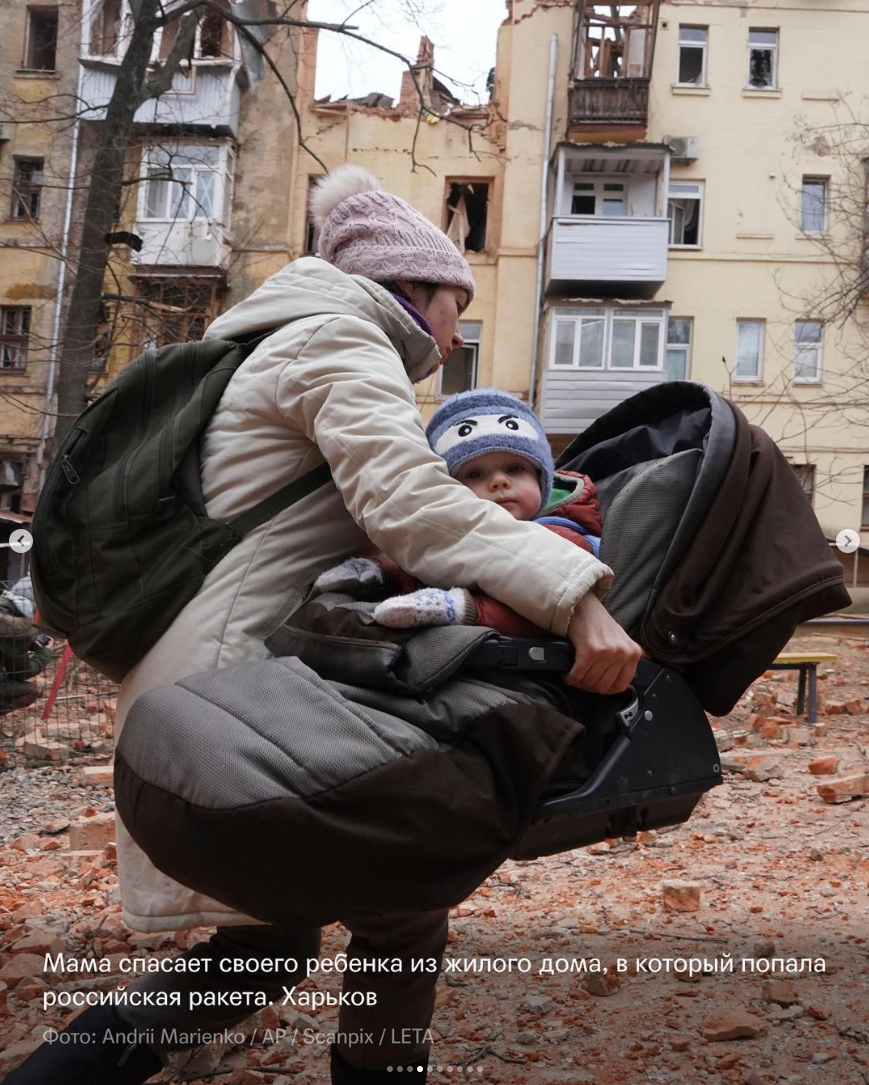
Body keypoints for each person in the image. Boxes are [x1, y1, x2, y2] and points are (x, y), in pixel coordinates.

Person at [8, 165, 641, 1085]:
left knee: (264, 946)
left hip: (205, 678)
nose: (456, 330)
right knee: (402, 891)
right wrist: (573, 591)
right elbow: (409, 502)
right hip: (231, 688)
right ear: (410, 291)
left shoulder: (281, 344)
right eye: (452, 304)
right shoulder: (342, 341)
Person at [315, 387, 603, 637]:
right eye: (475, 474)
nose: (498, 482)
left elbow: (546, 607)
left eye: (515, 469)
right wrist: (382, 571)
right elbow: (423, 564)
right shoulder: (449, 532)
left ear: (542, 478)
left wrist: (461, 608)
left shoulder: (564, 536)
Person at [0, 574, 53, 715]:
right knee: (32, 691)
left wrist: (30, 641)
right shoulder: (13, 629)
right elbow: (21, 672)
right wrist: (45, 652)